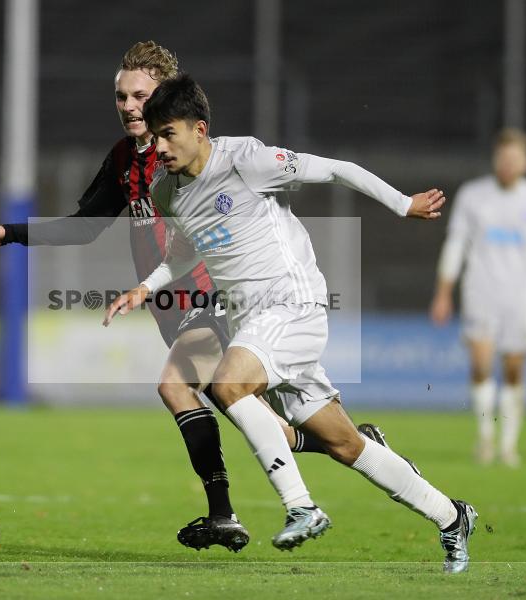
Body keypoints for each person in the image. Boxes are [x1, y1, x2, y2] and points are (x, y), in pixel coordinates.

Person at [0, 41, 340, 553]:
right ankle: (337, 444)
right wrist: (9, 233)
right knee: (249, 409)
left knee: (177, 386)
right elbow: (83, 230)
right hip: (173, 305)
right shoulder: (124, 160)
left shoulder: (188, 153)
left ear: (165, 97)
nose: (129, 106)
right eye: (121, 97)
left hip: (216, 294)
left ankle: (231, 513)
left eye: (139, 95)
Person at [104, 74, 478, 573]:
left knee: (228, 384)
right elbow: (182, 252)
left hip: (292, 305)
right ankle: (452, 515)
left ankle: (301, 506)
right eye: (156, 135)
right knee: (345, 444)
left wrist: (402, 204)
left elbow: (338, 170)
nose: (161, 146)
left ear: (199, 128)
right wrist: (146, 287)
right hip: (251, 324)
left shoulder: (248, 161)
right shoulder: (167, 191)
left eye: (169, 133)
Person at [430, 128, 526, 467]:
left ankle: (509, 444)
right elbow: (456, 244)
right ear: (495, 159)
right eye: (503, 157)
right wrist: (444, 292)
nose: (508, 164)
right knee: (481, 364)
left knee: (515, 370)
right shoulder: (474, 196)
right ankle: (486, 439)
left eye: (515, 158)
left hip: (520, 296)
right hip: (480, 292)